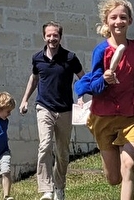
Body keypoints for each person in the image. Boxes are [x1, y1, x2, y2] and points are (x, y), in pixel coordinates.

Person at [79, 0, 134, 200]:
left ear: (130, 21)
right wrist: (104, 79)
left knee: (129, 164)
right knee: (113, 178)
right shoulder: (101, 51)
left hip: (130, 116)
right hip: (103, 118)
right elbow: (93, 86)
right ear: (106, 22)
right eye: (113, 17)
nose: (118, 21)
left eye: (123, 17)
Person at [17, 22, 83, 200]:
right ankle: (46, 189)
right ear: (44, 37)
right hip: (44, 107)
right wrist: (25, 100)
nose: (52, 38)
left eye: (55, 35)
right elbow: (34, 79)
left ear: (60, 37)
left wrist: (82, 96)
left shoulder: (70, 58)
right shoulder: (37, 58)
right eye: (49, 35)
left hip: (65, 109)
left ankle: (59, 187)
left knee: (62, 152)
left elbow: (82, 77)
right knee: (45, 145)